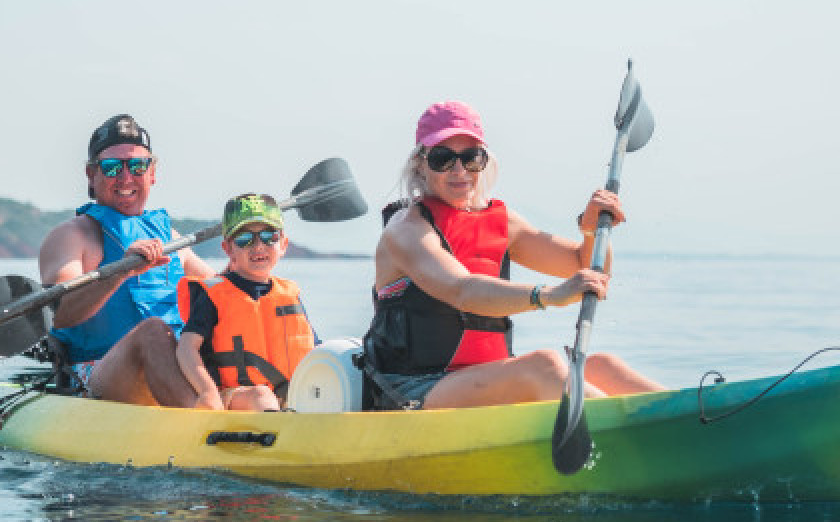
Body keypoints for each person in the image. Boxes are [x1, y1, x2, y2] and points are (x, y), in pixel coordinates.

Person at [363, 100, 664, 410]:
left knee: (602, 366)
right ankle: (636, 429)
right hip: (411, 387)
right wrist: (548, 295)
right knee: (544, 366)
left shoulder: (501, 221)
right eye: (443, 158)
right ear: (420, 164)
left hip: (482, 380)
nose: (458, 170)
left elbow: (583, 265)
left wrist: (590, 231)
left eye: (470, 158)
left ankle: (693, 416)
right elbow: (462, 290)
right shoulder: (407, 230)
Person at [38, 114, 216, 406]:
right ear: (91, 175)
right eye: (111, 167)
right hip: (98, 373)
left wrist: (254, 245)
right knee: (153, 333)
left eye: (137, 166)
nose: (125, 178)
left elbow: (222, 290)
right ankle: (204, 423)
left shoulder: (171, 239)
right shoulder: (71, 237)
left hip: (182, 368)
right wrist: (119, 273)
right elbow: (59, 313)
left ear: (152, 173)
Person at [176, 193, 316, 411]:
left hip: (290, 397)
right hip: (235, 397)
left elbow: (316, 349)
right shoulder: (213, 294)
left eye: (269, 236)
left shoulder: (291, 293)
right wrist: (207, 392)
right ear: (228, 249)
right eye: (244, 239)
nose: (258, 246)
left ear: (284, 244)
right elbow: (186, 349)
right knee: (262, 396)